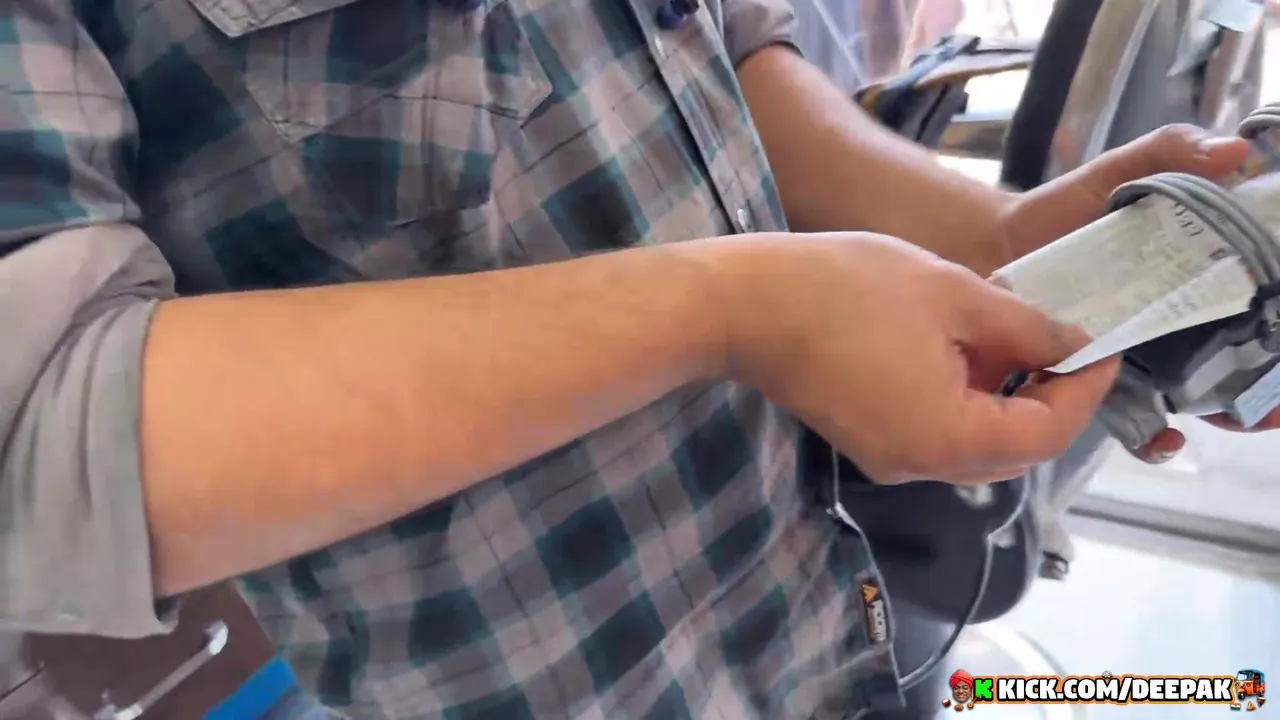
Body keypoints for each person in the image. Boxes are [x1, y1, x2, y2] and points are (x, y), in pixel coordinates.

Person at [0, 0, 1273, 718]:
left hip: (832, 624)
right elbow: (43, 442)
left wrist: (985, 236)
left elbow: (715, 52)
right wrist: (730, 312)